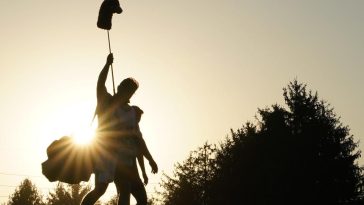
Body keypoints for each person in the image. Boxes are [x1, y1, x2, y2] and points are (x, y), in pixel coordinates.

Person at [81, 53, 158, 205]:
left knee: (141, 198)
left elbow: (138, 139)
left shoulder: (131, 112)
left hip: (126, 159)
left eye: (130, 91)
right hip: (106, 155)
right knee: (102, 189)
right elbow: (100, 83)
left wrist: (150, 159)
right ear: (120, 88)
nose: (128, 92)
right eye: (125, 88)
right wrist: (107, 65)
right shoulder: (106, 102)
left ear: (131, 94)